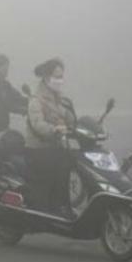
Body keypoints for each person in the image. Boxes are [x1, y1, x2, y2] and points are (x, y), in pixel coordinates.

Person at [25, 58, 77, 219]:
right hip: (38, 148)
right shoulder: (36, 99)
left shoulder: (58, 98)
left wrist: (76, 123)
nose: (60, 80)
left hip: (53, 145)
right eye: (57, 77)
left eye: (61, 76)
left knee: (69, 162)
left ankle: (62, 206)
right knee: (58, 168)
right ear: (47, 78)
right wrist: (54, 129)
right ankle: (53, 209)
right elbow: (37, 124)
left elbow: (67, 116)